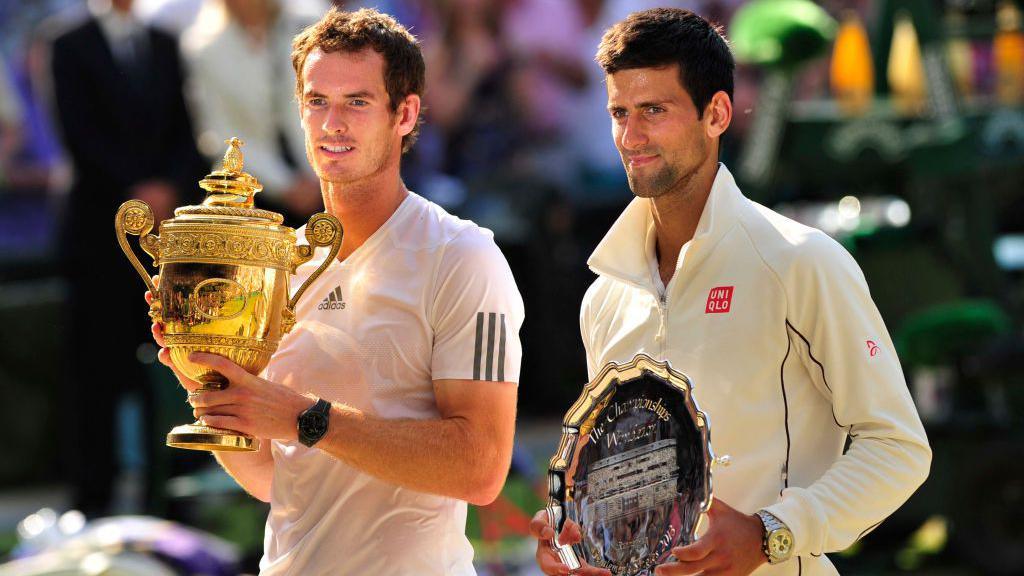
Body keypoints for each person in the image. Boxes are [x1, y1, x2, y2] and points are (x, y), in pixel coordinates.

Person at [530, 8, 931, 576]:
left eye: (653, 110)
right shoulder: (604, 297)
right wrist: (578, 537)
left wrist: (773, 534)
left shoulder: (801, 261)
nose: (630, 136)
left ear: (716, 113)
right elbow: (624, 480)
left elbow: (898, 449)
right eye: (619, 112)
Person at [150, 7, 523, 575]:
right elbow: (280, 477)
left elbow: (482, 469)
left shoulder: (463, 256)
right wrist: (209, 382)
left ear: (406, 114)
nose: (332, 123)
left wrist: (305, 418)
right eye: (316, 101)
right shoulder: (274, 266)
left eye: (357, 101)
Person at [50, 0, 206, 516]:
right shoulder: (67, 44)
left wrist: (167, 189)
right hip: (98, 241)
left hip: (163, 243)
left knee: (168, 368)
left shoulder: (164, 44)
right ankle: (93, 506)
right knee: (96, 376)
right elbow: (80, 135)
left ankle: (171, 507)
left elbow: (186, 131)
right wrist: (136, 191)